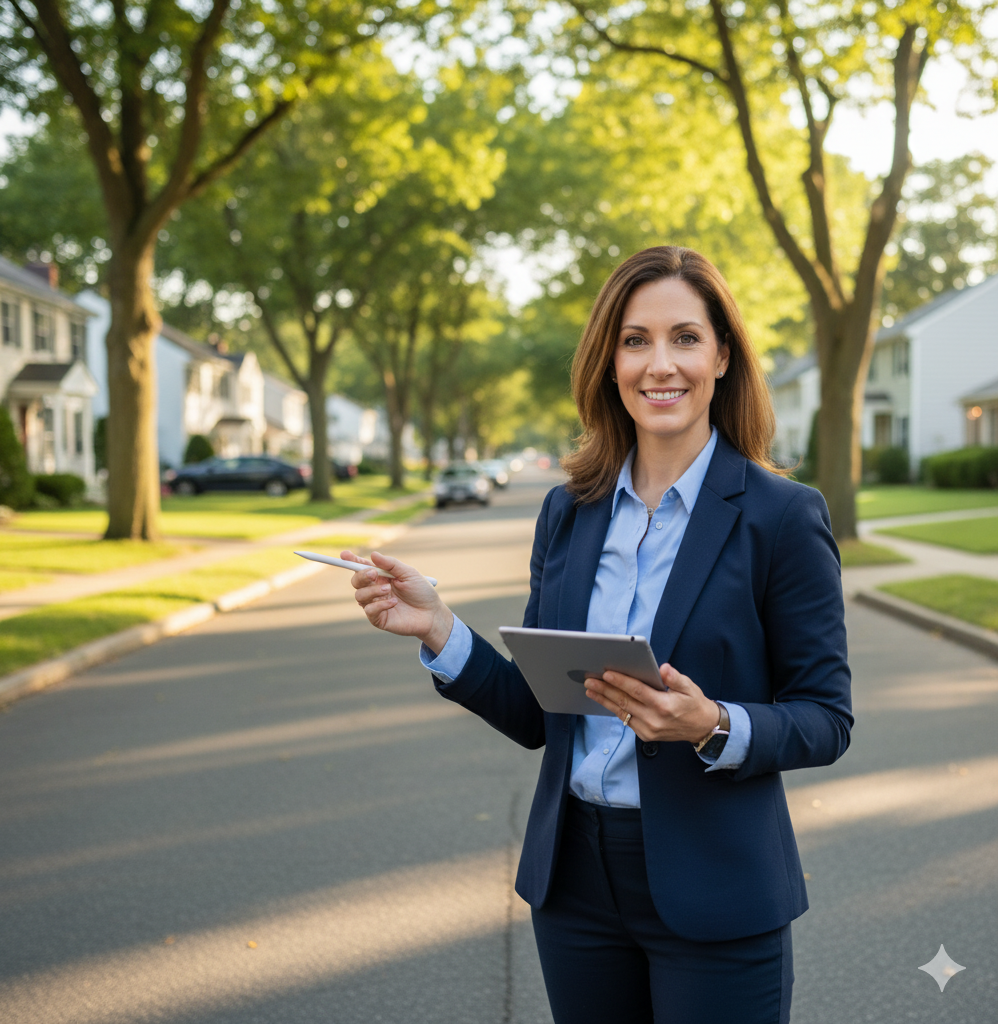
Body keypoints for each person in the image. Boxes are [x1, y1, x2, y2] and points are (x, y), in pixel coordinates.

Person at [343, 245, 852, 1024]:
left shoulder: (781, 517)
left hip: (715, 889)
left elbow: (826, 717)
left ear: (722, 355)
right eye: (635, 339)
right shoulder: (570, 511)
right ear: (609, 361)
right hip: (574, 883)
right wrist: (440, 630)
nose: (660, 365)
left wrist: (713, 726)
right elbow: (537, 713)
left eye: (685, 337)